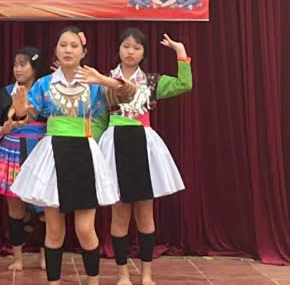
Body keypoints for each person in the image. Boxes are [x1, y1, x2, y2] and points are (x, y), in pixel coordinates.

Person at [10, 25, 124, 285]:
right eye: (63, 45)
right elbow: (25, 115)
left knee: (85, 229)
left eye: (74, 45)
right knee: (54, 230)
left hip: (84, 154)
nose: (68, 50)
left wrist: (103, 79)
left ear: (83, 52)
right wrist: (19, 110)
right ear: (56, 51)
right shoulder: (44, 84)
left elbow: (127, 93)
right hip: (53, 155)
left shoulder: (94, 84)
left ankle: (93, 280)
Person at [84, 29, 192, 285]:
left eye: (136, 47)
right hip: (114, 145)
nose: (130, 52)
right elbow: (98, 119)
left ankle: (146, 274)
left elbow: (184, 84)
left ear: (144, 53)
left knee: (145, 216)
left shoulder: (151, 81)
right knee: (120, 216)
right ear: (118, 49)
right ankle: (122, 274)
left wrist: (180, 51)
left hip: (143, 145)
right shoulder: (104, 80)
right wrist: (93, 150)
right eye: (126, 46)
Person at [0, 46, 47, 271]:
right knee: (15, 207)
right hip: (12, 150)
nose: (17, 69)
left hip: (40, 150)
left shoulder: (45, 91)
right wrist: (1, 129)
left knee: (44, 208)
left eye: (23, 64)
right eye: (15, 64)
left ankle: (45, 256)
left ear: (35, 67)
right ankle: (18, 258)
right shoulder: (6, 92)